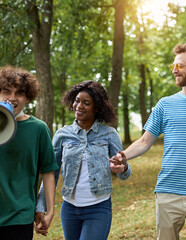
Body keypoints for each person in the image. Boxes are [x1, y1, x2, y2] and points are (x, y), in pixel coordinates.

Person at [110, 43, 186, 240]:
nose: (174, 70)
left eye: (180, 66)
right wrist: (123, 156)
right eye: (173, 66)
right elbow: (144, 141)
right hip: (168, 192)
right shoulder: (165, 104)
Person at [36, 80, 131, 240]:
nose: (79, 106)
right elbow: (52, 172)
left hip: (98, 208)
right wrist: (40, 206)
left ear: (97, 108)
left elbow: (124, 173)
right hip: (69, 209)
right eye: (77, 101)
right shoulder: (62, 135)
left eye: (86, 103)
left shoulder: (109, 134)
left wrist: (123, 166)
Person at [0, 65, 58, 239]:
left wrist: (50, 210)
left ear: (27, 97)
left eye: (19, 93)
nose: (12, 98)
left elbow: (48, 171)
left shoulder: (38, 129)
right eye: (6, 91)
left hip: (19, 217)